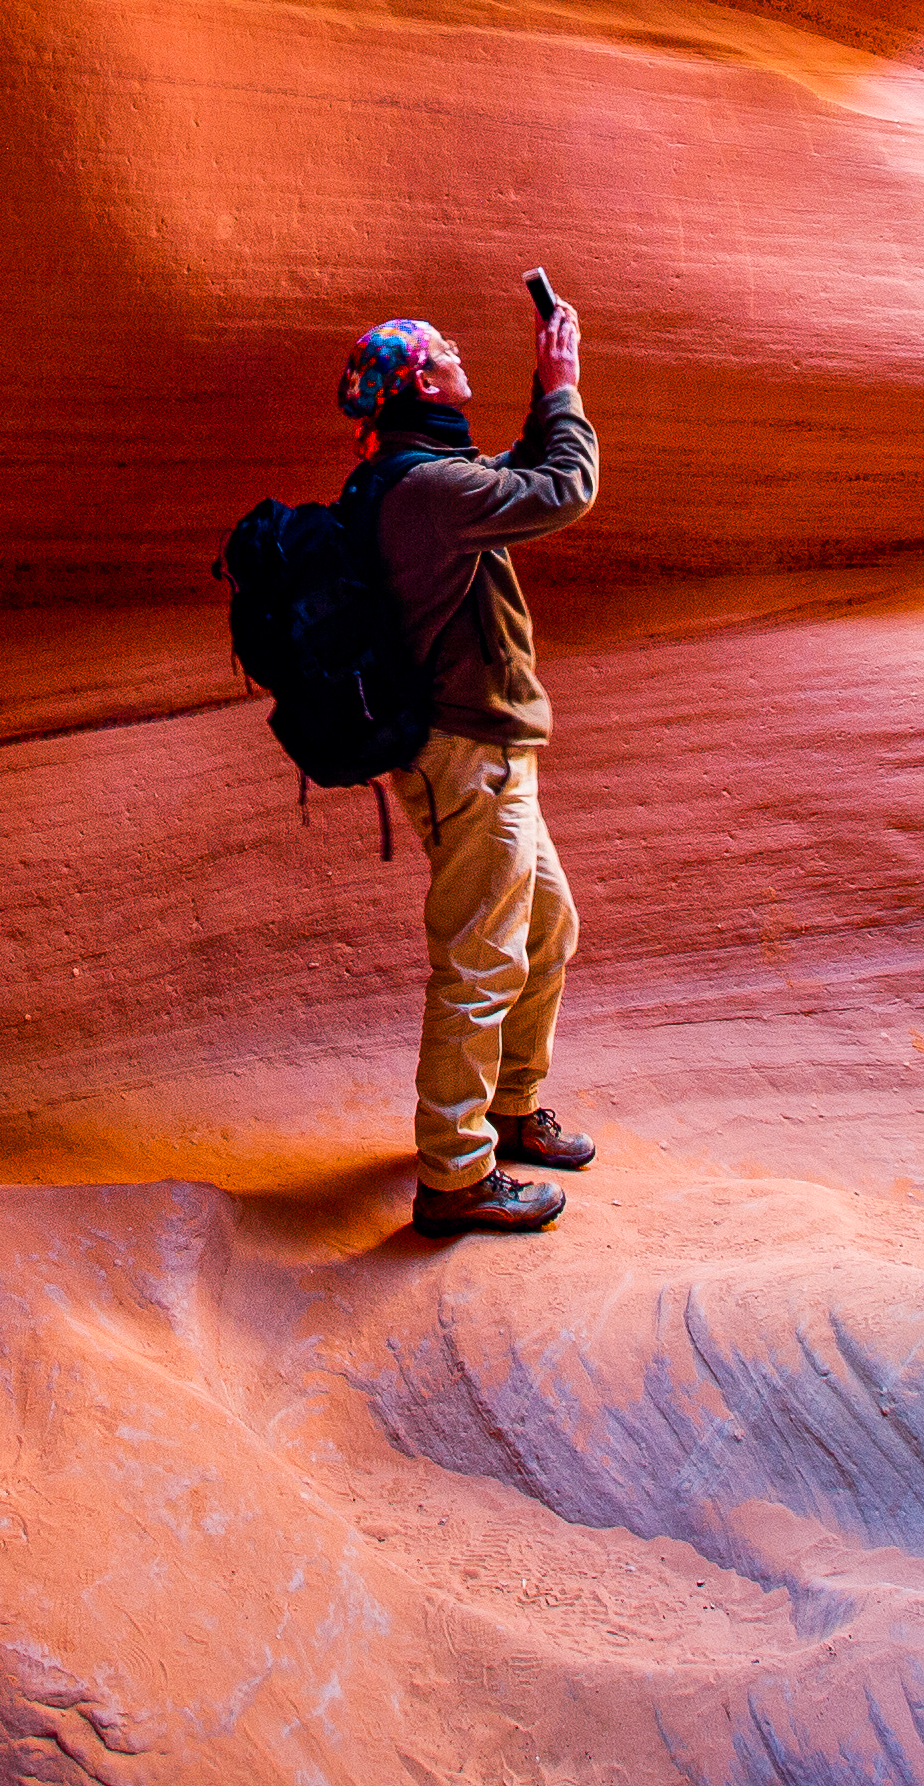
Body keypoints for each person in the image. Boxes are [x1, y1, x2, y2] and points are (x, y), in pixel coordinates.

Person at [338, 286, 598, 1237]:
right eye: (446, 354)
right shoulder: (429, 492)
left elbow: (514, 476)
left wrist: (546, 389)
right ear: (418, 383)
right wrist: (568, 389)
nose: (460, 360)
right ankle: (454, 1174)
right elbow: (561, 490)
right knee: (481, 956)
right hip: (467, 757)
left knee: (545, 929)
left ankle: (508, 1109)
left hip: (479, 751)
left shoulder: (417, 479)